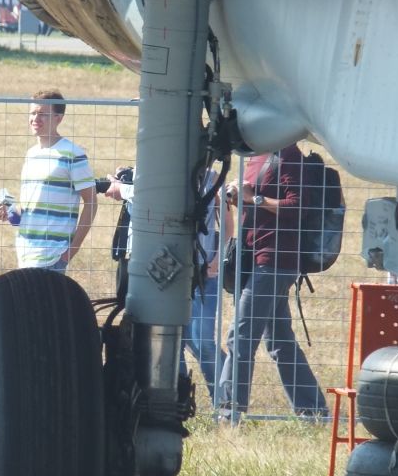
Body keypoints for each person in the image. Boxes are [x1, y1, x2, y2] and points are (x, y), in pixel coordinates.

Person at [218, 144, 328, 420]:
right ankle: (313, 411)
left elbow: (297, 207)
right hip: (257, 259)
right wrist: (236, 197)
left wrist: (252, 198)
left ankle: (229, 410)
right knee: (280, 341)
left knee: (240, 336)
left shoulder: (289, 157)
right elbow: (254, 200)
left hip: (276, 260)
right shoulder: (256, 157)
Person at [104, 163, 231, 402]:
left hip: (203, 271)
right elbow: (148, 201)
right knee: (175, 338)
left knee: (201, 339)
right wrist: (126, 183)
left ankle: (225, 401)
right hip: (165, 269)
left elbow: (227, 223)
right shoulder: (153, 170)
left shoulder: (215, 179)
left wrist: (217, 258)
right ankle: (176, 399)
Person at [0, 90, 97, 270]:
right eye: (33, 113)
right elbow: (28, 209)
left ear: (59, 118)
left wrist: (72, 250)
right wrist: (9, 212)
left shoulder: (73, 154)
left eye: (42, 114)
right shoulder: (31, 154)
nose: (35, 119)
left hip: (53, 256)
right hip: (25, 254)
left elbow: (91, 202)